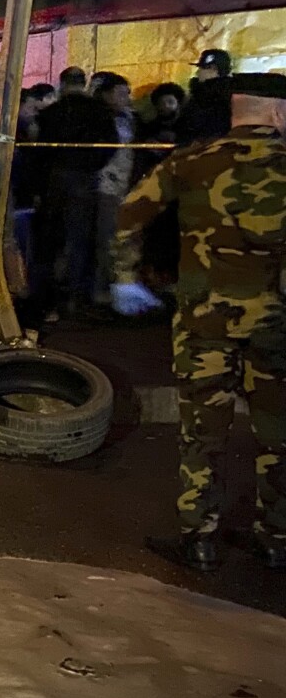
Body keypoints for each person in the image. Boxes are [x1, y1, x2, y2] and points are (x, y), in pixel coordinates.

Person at [112, 73, 286, 573]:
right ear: (275, 113)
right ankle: (275, 537)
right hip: (276, 322)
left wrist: (126, 278)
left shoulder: (191, 161)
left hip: (205, 321)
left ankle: (199, 540)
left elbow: (130, 214)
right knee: (277, 433)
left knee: (202, 432)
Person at [32, 67, 119, 318]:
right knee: (79, 238)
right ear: (83, 84)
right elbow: (111, 145)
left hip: (53, 181)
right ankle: (75, 296)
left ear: (62, 84)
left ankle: (47, 298)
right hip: (83, 180)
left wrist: (39, 186)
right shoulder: (99, 111)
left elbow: (38, 154)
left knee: (50, 240)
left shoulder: (50, 114)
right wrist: (92, 165)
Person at [93, 73, 139, 304]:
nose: (126, 97)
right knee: (106, 238)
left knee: (124, 239)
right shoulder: (101, 119)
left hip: (126, 185)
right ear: (107, 95)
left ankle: (121, 284)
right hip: (108, 186)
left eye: (127, 93)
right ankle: (102, 288)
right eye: (121, 93)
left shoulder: (130, 118)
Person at [178, 49, 233, 146]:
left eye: (202, 68)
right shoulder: (232, 93)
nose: (198, 73)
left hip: (203, 151)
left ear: (213, 69)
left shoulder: (205, 96)